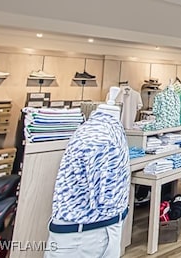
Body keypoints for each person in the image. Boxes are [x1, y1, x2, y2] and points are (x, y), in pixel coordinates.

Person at [46, 89, 130, 258]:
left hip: (90, 230)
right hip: (88, 235)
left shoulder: (101, 130)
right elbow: (107, 199)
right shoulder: (101, 138)